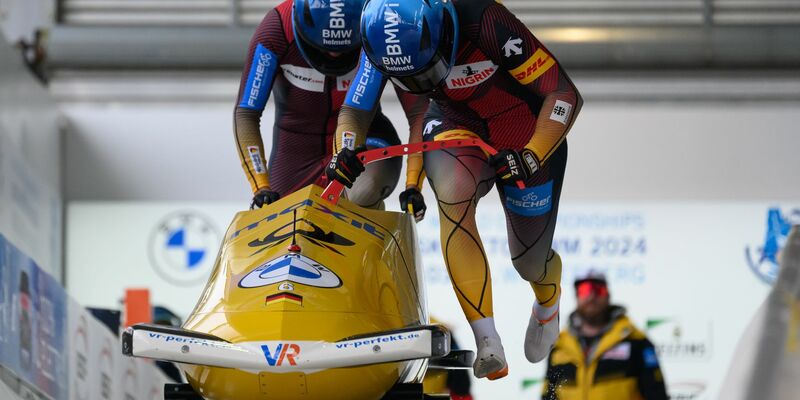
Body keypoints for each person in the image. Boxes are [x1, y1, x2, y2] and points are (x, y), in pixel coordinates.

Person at [326, 0, 582, 379]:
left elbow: (563, 95)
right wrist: (346, 148)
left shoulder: (485, 20)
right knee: (452, 193)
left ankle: (548, 301)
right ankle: (487, 341)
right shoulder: (379, 40)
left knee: (528, 262)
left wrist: (531, 155)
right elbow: (355, 111)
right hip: (453, 123)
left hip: (525, 131)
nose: (419, 84)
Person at [234, 0, 428, 209]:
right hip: (296, 151)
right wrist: (261, 186)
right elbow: (246, 113)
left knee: (364, 188)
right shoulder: (278, 28)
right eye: (323, 47)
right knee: (283, 217)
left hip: (365, 140)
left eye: (346, 49)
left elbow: (419, 112)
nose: (334, 55)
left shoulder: (381, 26)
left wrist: (413, 185)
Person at [541, 271, 668, 400]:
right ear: (576, 297)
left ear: (608, 295)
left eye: (598, 289)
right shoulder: (559, 346)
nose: (591, 296)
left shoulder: (635, 342)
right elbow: (548, 396)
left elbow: (657, 395)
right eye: (584, 290)